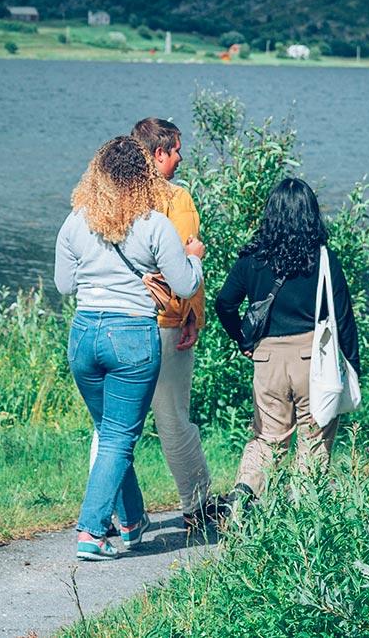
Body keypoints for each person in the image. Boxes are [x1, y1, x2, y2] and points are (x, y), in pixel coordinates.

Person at [55, 135, 204, 560]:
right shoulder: (154, 224)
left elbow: (65, 286)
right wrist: (194, 255)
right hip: (132, 337)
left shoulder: (75, 221)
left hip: (84, 334)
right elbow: (186, 284)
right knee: (120, 437)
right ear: (143, 175)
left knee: (108, 431)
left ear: (97, 175)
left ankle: (132, 520)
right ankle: (91, 532)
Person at [213, 175, 358, 503]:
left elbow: (224, 303)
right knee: (314, 438)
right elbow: (344, 318)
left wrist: (243, 341)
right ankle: (304, 516)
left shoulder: (252, 258)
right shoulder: (322, 259)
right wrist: (352, 367)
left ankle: (245, 491)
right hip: (313, 360)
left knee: (267, 440)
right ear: (311, 214)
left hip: (268, 359)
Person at [128, 116, 216, 528]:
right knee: (172, 416)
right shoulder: (177, 199)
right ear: (160, 153)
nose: (181, 157)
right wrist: (192, 316)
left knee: (116, 423)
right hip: (166, 321)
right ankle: (196, 505)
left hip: (122, 317)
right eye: (177, 149)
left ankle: (115, 511)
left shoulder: (119, 196)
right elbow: (182, 260)